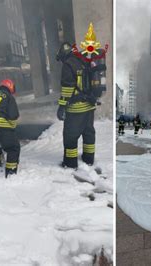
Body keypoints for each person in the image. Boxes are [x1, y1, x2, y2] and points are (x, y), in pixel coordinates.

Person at [55, 24, 106, 169]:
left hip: (76, 108)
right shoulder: (83, 60)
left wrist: (62, 107)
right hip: (89, 106)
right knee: (88, 133)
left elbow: (67, 88)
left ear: (63, 55)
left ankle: (70, 164)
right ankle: (89, 160)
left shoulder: (68, 64)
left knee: (70, 137)